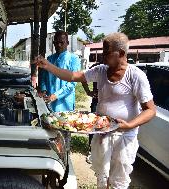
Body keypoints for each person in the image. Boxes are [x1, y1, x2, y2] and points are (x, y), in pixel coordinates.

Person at [34, 32, 156, 189]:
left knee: (119, 180)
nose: (103, 56)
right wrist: (48, 66)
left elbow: (150, 110)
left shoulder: (136, 76)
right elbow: (73, 76)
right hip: (102, 132)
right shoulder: (101, 70)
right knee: (102, 176)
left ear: (121, 54)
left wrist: (129, 125)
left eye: (107, 52)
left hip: (123, 136)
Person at [38, 31, 81, 112]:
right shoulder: (50, 59)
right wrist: (43, 91)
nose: (59, 45)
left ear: (67, 43)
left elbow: (72, 83)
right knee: (49, 122)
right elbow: (44, 77)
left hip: (65, 103)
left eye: (62, 42)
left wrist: (56, 95)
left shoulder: (74, 59)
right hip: (48, 101)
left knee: (64, 123)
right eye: (56, 42)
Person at [82, 62, 102, 164]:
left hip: (110, 102)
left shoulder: (115, 67)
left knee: (106, 126)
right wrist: (88, 92)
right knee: (93, 124)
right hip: (97, 100)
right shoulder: (97, 67)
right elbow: (83, 78)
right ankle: (91, 151)